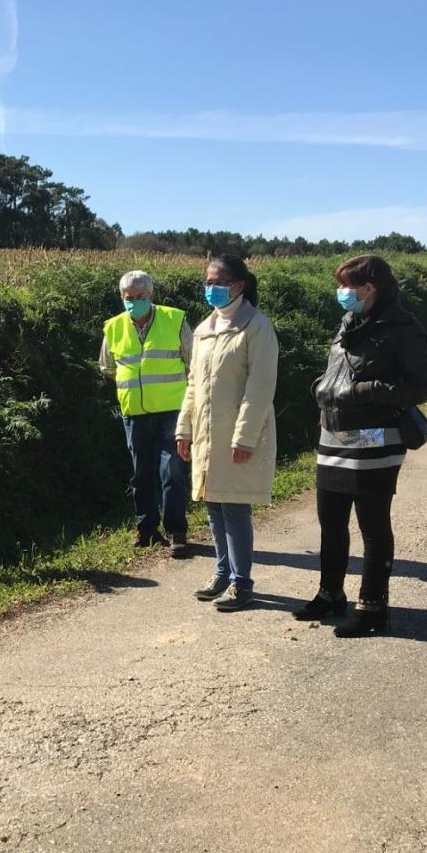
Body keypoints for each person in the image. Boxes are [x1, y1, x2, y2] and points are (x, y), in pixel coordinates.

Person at [296, 255, 427, 636]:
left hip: (377, 440)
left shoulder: (404, 328)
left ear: (369, 288)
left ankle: (373, 606)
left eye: (347, 285)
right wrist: (323, 388)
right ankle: (330, 594)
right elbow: (338, 370)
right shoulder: (348, 322)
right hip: (333, 435)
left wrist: (369, 390)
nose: (341, 292)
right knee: (331, 522)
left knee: (372, 526)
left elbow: (421, 386)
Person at [176, 255, 279, 610]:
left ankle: (242, 583)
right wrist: (183, 429)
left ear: (238, 284)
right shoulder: (205, 329)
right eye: (207, 281)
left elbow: (260, 388)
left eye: (217, 282)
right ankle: (222, 572)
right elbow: (193, 386)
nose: (210, 288)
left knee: (234, 509)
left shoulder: (256, 326)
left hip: (236, 436)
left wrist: (244, 437)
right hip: (206, 434)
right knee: (214, 506)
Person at [99, 270, 193, 556]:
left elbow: (193, 361)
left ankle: (176, 530)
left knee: (172, 471)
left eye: (140, 297)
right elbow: (107, 366)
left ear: (151, 296)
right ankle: (146, 529)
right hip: (135, 414)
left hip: (172, 412)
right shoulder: (113, 327)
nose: (134, 302)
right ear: (122, 298)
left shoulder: (174, 319)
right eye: (129, 298)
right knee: (140, 474)